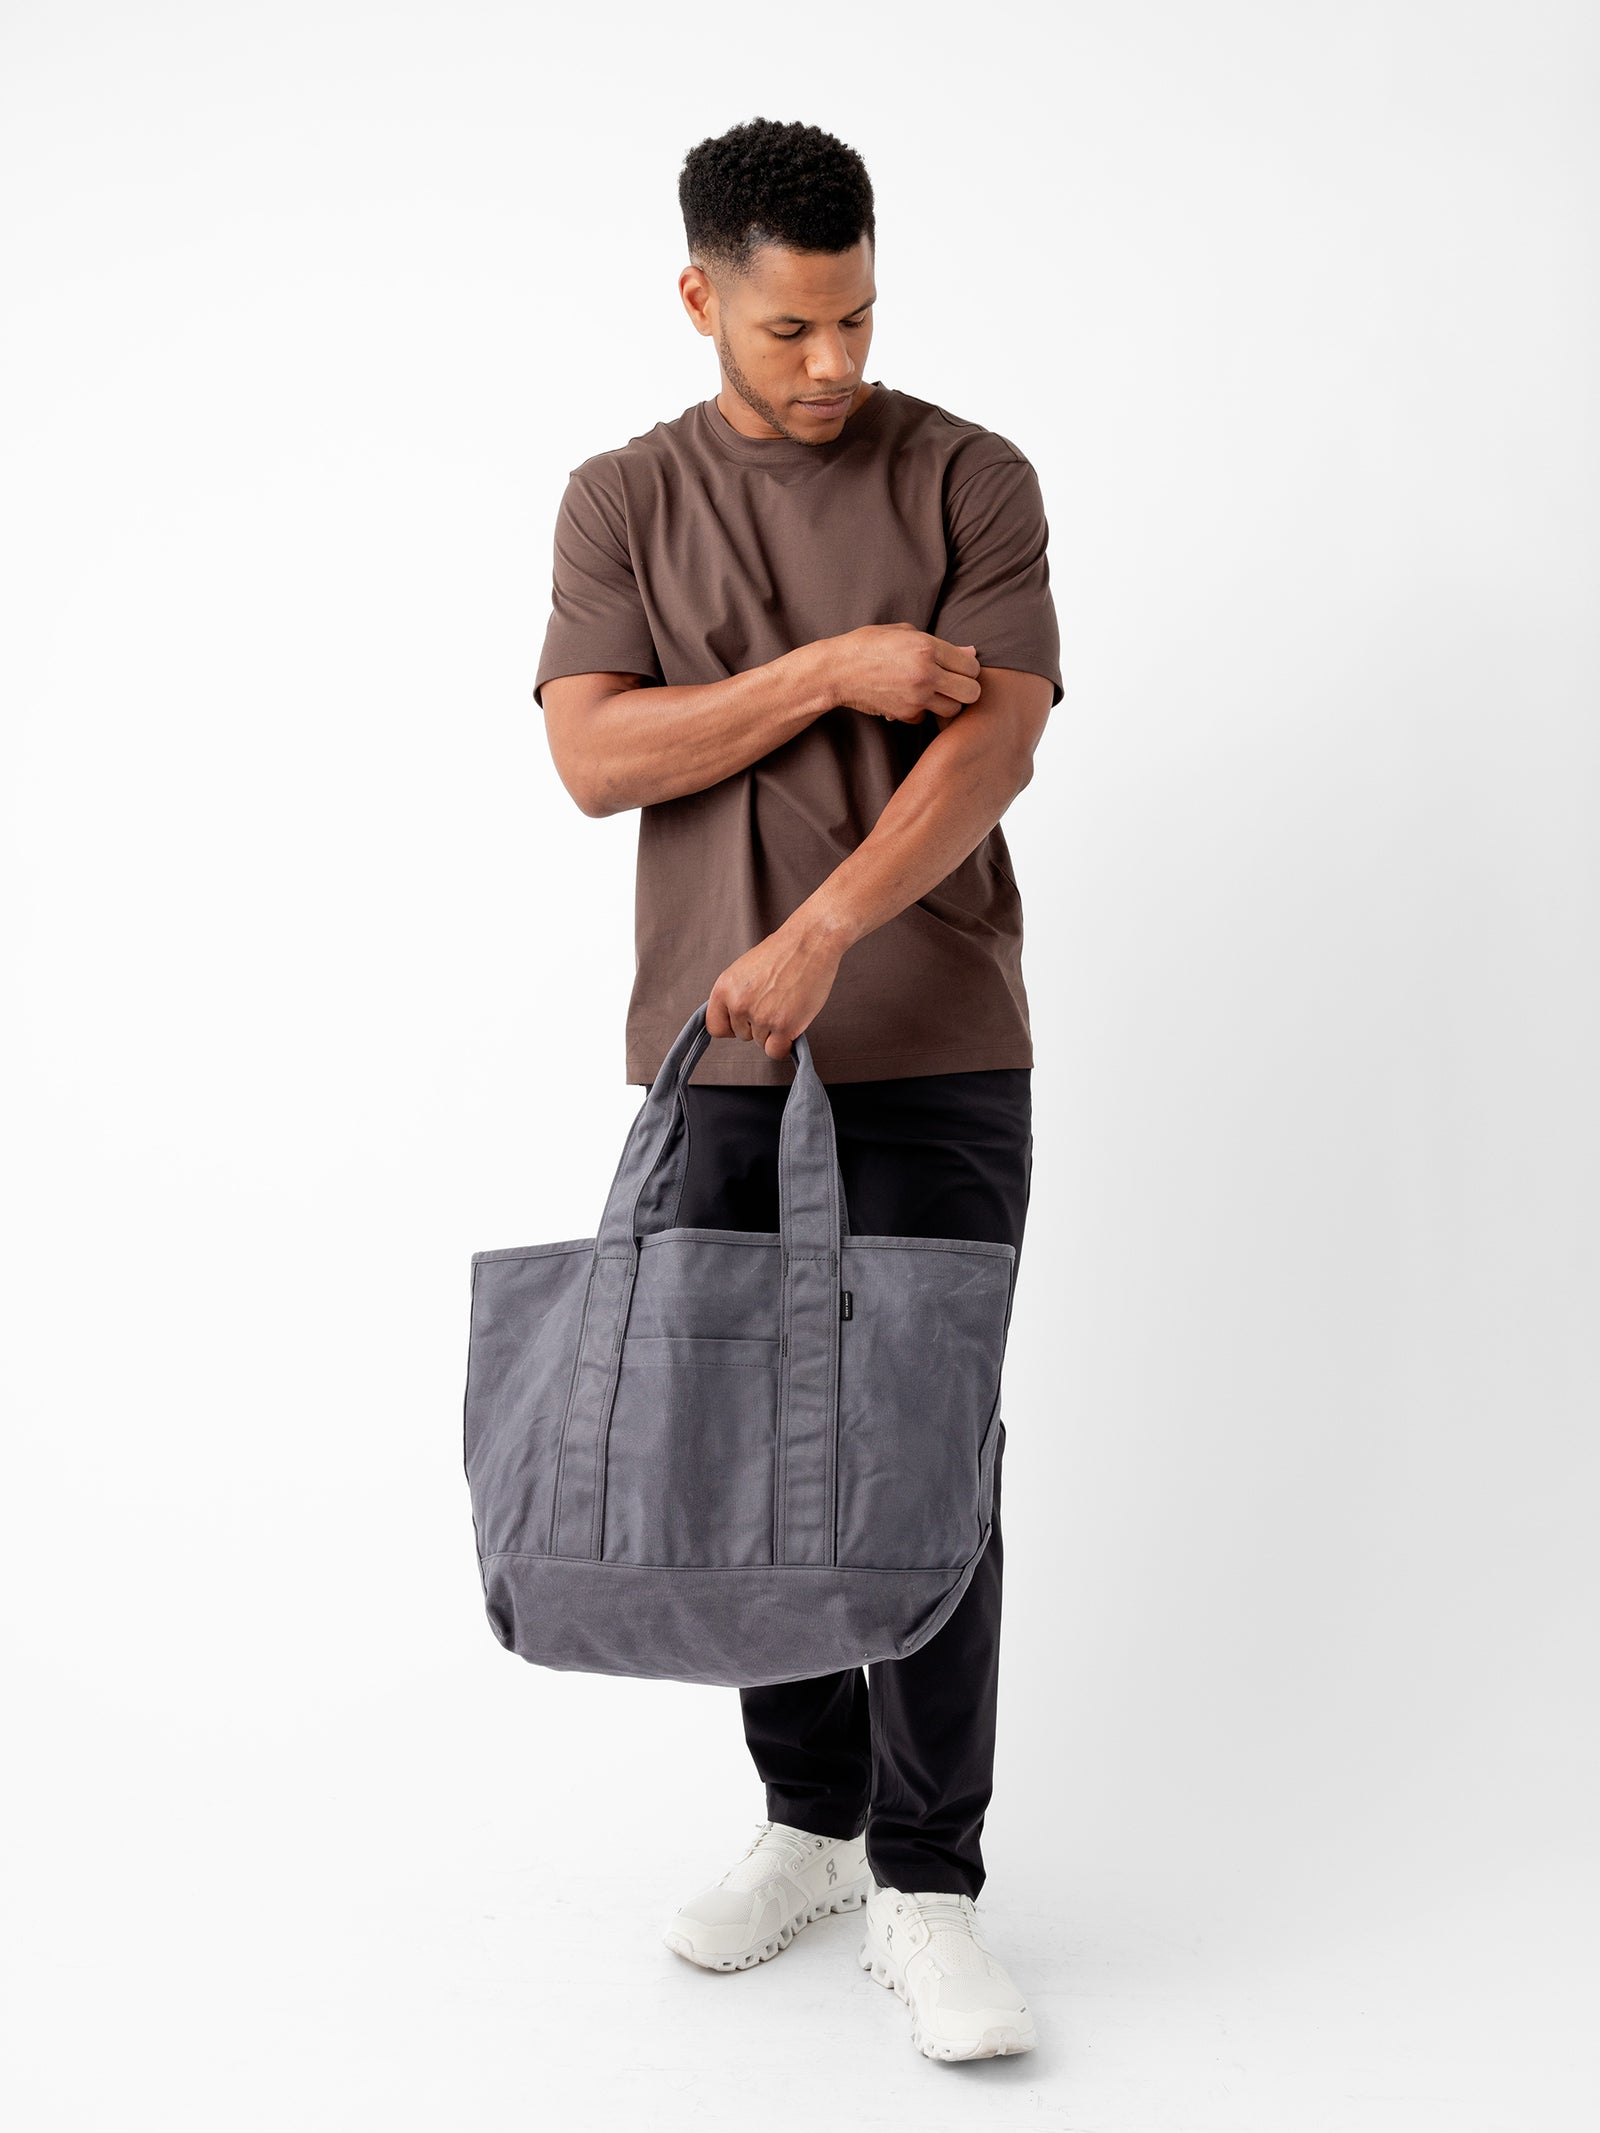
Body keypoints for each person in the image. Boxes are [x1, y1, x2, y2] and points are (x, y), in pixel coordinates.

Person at [533, 116, 1062, 2064]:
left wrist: (833, 919)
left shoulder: (968, 476)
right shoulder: (617, 502)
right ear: (699, 297)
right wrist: (832, 666)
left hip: (932, 1045)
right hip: (711, 1062)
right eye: (785, 329)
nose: (829, 361)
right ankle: (809, 1818)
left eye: (852, 317)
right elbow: (596, 756)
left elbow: (987, 754)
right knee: (739, 1455)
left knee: (921, 1462)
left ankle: (929, 1880)